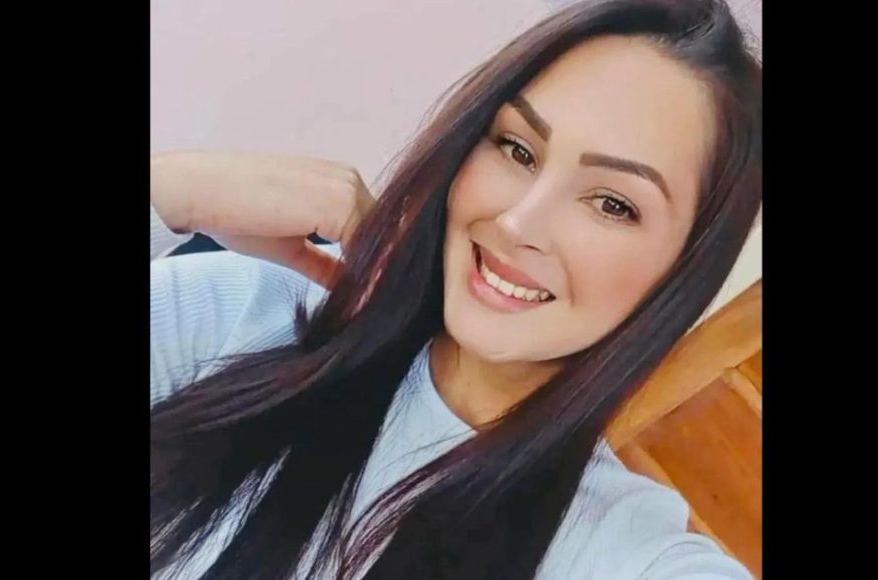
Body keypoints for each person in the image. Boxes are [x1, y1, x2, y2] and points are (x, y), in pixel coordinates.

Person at [150, 1, 762, 578]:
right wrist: (170, 193)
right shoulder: (246, 317)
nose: (518, 223)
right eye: (517, 149)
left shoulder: (625, 552)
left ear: (686, 267)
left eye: (612, 203)